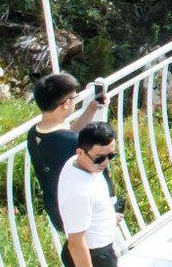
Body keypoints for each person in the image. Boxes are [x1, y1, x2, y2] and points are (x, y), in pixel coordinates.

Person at [28, 72, 105, 235]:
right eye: (74, 99)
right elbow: (97, 170)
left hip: (56, 209)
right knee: (92, 253)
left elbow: (66, 135)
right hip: (82, 213)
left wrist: (90, 109)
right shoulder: (69, 141)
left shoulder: (34, 134)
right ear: (66, 104)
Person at [56, 121, 121, 267]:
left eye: (111, 155)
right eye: (99, 158)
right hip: (94, 256)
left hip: (100, 250)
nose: (105, 162)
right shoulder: (79, 192)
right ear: (80, 152)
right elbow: (76, 243)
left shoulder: (77, 163)